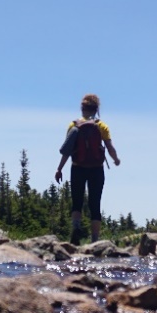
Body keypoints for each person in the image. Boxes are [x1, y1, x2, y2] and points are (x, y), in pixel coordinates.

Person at [55, 93, 120, 244]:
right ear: (96, 109)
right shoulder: (101, 126)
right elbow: (110, 147)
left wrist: (59, 169)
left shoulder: (74, 126)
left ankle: (76, 230)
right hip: (96, 169)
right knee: (95, 203)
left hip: (77, 168)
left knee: (76, 202)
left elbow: (67, 151)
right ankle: (95, 241)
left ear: (82, 108)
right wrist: (116, 160)